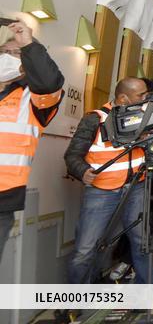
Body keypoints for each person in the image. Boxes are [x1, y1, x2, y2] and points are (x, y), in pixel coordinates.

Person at [64, 77, 152, 284]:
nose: (146, 99)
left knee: (142, 243)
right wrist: (83, 171)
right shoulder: (94, 119)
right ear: (123, 99)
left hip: (135, 189)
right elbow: (72, 155)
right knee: (86, 249)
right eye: (141, 96)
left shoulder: (144, 118)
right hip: (102, 192)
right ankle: (71, 303)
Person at [0, 19, 63, 259]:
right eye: (5, 52)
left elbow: (49, 81)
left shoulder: (34, 100)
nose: (9, 57)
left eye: (18, 54)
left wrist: (28, 44)